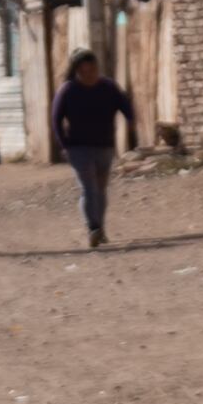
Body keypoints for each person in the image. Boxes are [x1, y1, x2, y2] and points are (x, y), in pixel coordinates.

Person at [52, 38, 140, 248]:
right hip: (78, 148)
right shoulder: (68, 90)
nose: (89, 74)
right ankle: (92, 227)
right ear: (77, 71)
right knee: (88, 188)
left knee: (100, 189)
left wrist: (131, 124)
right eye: (84, 70)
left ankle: (100, 228)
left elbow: (126, 108)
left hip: (105, 146)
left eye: (92, 69)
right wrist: (64, 145)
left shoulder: (108, 87)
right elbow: (56, 119)